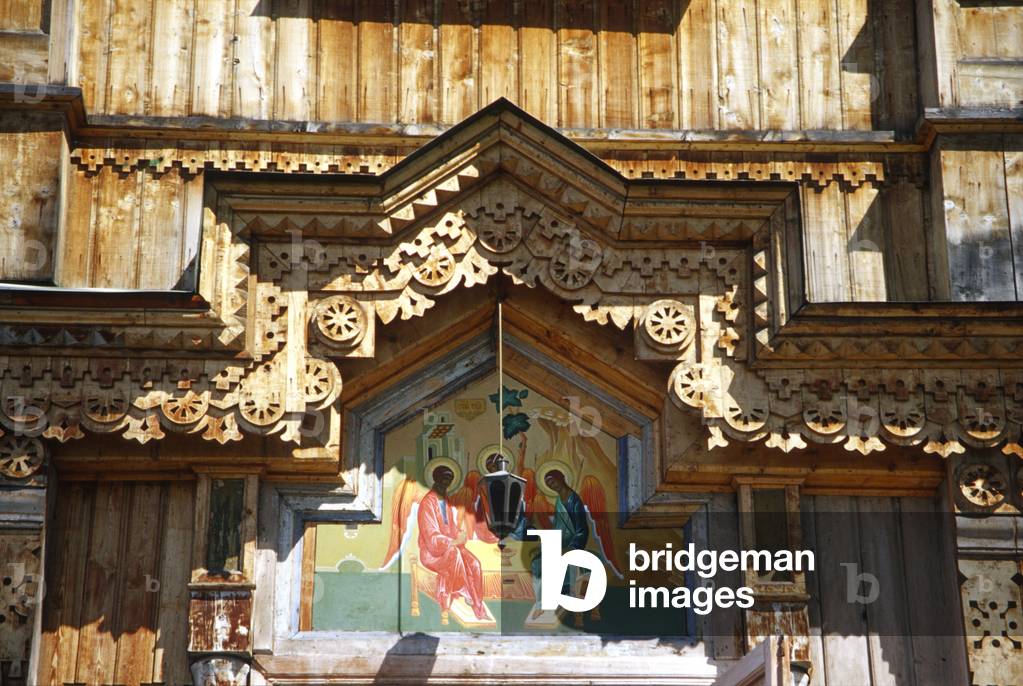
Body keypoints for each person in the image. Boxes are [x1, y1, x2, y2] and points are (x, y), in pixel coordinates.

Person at [417, 464, 488, 621]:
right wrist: (453, 541)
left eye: (449, 480)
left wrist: (460, 535)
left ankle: (477, 601)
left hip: (449, 547)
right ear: (436, 479)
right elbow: (431, 537)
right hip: (432, 553)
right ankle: (465, 593)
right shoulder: (428, 503)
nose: (446, 483)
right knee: (455, 554)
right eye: (444, 479)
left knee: (475, 563)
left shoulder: (446, 502)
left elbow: (450, 528)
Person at [528, 468, 589, 619]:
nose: (551, 485)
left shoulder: (574, 500)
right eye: (548, 483)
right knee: (536, 563)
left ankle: (557, 599)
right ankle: (541, 603)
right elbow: (557, 526)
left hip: (571, 544)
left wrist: (572, 548)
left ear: (561, 478)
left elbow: (582, 529)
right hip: (559, 542)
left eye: (552, 481)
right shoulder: (558, 500)